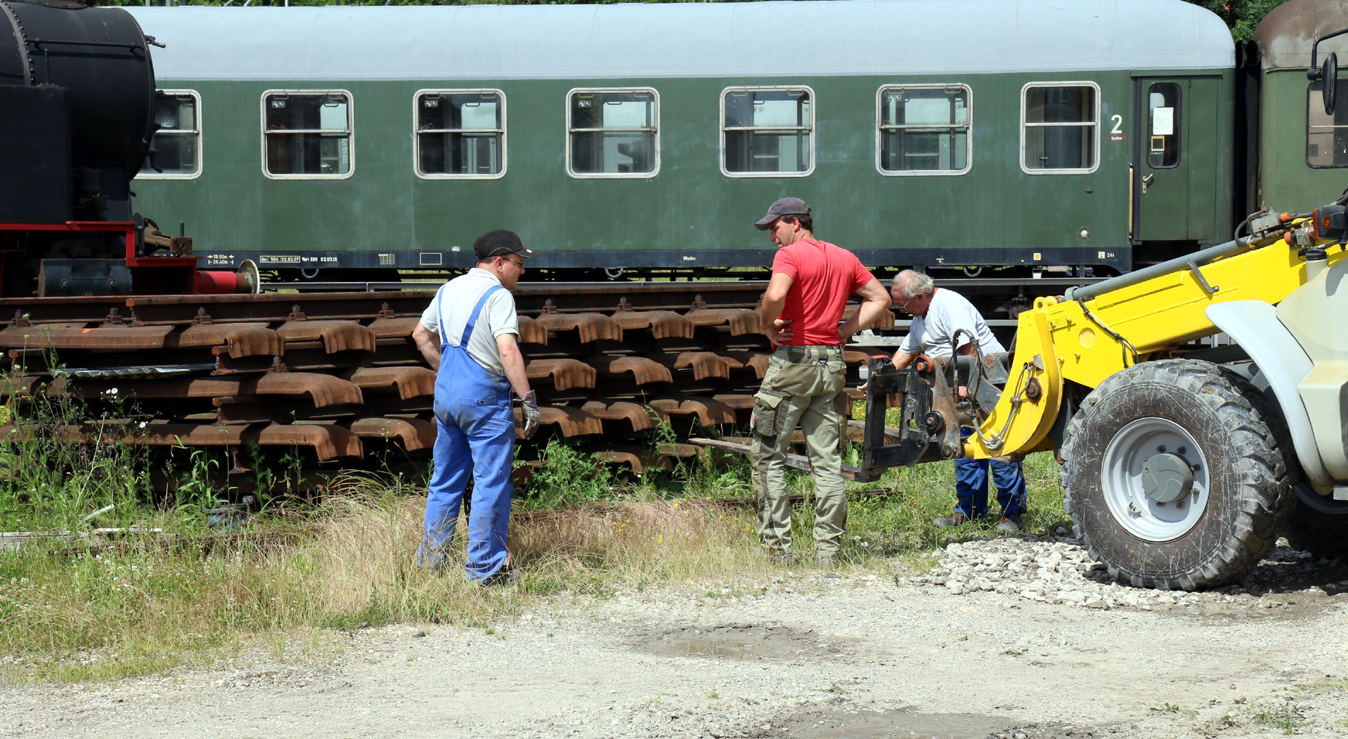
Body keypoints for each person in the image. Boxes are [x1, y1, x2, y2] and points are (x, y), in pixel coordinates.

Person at [752, 197, 891, 566]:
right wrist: (844, 330)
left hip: (794, 361)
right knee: (827, 463)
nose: (772, 238)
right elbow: (881, 298)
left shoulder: (791, 256)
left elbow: (776, 295)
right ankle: (828, 554)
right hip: (831, 364)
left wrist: (767, 324)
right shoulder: (844, 257)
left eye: (774, 228)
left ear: (794, 223)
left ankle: (776, 552)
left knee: (769, 458)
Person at [411, 230, 542, 584]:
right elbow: (508, 351)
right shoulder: (498, 297)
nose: (522, 271)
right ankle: (485, 571)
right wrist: (528, 400)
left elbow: (420, 335)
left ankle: (430, 566)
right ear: (499, 262)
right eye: (518, 263)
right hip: (484, 400)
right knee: (490, 482)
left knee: (445, 481)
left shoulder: (448, 289)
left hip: (447, 398)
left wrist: (448, 373)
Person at [889, 270, 1027, 533]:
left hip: (985, 381)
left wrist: (966, 386)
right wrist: (879, 377)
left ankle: (1012, 513)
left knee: (997, 445)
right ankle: (970, 510)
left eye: (902, 305)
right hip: (957, 385)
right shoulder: (921, 315)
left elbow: (969, 348)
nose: (901, 310)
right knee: (963, 446)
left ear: (920, 296)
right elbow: (907, 350)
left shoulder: (949, 304)